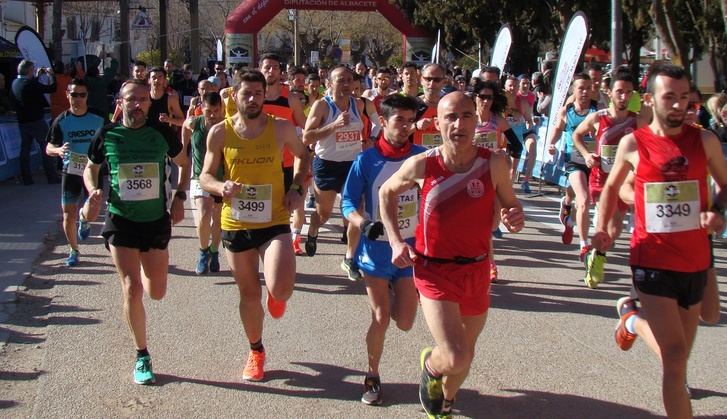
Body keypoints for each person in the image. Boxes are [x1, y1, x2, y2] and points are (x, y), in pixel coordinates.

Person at [592, 63, 727, 419]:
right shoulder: (634, 143)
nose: (679, 105)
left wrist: (718, 213)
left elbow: (725, 186)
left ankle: (631, 319)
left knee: (681, 356)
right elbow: (610, 188)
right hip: (651, 261)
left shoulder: (705, 140)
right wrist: (602, 229)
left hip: (696, 261)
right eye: (670, 97)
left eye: (685, 98)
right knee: (675, 357)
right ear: (650, 99)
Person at [379, 92, 525, 418]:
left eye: (466, 116)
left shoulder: (495, 164)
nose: (459, 124)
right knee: (455, 355)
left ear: (477, 120)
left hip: (477, 270)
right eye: (450, 117)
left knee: (466, 354)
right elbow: (386, 191)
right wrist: (395, 241)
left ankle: (445, 400)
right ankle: (432, 365)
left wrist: (514, 216)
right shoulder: (423, 164)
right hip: (434, 271)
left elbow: (512, 205)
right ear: (437, 122)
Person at [199, 70, 310, 382]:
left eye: (258, 94)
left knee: (281, 288)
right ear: (235, 96)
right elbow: (205, 175)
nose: (252, 99)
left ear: (265, 95)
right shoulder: (220, 132)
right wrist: (221, 188)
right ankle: (256, 351)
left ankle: (276, 292)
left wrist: (297, 189)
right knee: (248, 294)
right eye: (246, 93)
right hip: (236, 222)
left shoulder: (281, 128)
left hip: (273, 218)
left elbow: (304, 156)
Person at [80, 79, 188, 385]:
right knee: (131, 288)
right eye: (131, 99)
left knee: (157, 291)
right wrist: (92, 191)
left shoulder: (161, 133)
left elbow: (183, 163)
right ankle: (142, 355)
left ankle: (145, 278)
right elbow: (91, 167)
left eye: (143, 100)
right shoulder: (107, 134)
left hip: (155, 220)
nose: (138, 105)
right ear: (121, 102)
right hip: (120, 219)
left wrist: (179, 196)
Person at [341, 94, 424, 406]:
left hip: (411, 249)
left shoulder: (421, 156)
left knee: (405, 322)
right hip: (376, 250)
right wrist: (363, 223)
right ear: (383, 122)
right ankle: (372, 374)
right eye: (398, 120)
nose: (405, 126)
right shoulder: (367, 160)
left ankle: (401, 296)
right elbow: (348, 201)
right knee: (381, 316)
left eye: (409, 120)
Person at [572, 68, 646, 288]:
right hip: (601, 179)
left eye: (629, 93)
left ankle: (597, 255)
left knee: (616, 229)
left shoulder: (638, 121)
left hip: (624, 181)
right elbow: (577, 134)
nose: (624, 97)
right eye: (620, 91)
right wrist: (586, 155)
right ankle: (595, 251)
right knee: (609, 221)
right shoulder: (598, 118)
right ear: (609, 91)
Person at [302, 65, 368, 279]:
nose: (346, 84)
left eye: (349, 80)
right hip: (327, 165)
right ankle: (313, 230)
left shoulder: (358, 104)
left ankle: (350, 259)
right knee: (323, 214)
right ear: (329, 84)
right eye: (341, 80)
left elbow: (373, 128)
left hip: (352, 165)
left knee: (356, 212)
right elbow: (307, 137)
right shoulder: (322, 106)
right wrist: (335, 125)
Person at [45, 79, 106, 266]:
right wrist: (58, 151)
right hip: (70, 170)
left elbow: (112, 136)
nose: (78, 99)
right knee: (67, 214)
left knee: (93, 212)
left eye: (82, 95)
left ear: (87, 96)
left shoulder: (98, 118)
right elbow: (48, 147)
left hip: (93, 170)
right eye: (74, 94)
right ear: (67, 95)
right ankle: (73, 250)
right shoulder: (61, 120)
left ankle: (84, 219)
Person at [547, 73, 599, 255]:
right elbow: (557, 129)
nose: (585, 92)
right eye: (581, 88)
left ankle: (568, 214)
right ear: (574, 90)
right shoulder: (567, 112)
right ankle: (584, 244)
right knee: (584, 199)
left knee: (578, 195)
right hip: (574, 160)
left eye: (588, 88)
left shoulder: (597, 110)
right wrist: (552, 144)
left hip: (594, 161)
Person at [182, 92, 225, 274]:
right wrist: (184, 150)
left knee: (218, 219)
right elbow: (184, 126)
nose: (213, 115)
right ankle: (202, 251)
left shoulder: (226, 125)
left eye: (216, 111)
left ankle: (214, 252)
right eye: (209, 111)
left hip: (221, 179)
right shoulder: (195, 122)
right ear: (202, 108)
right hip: (200, 176)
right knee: (204, 214)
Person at [10, 59, 60, 185]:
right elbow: (52, 88)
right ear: (28, 70)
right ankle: (51, 176)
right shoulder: (31, 84)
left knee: (24, 150)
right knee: (46, 148)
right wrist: (52, 76)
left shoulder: (15, 83)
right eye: (32, 70)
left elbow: (31, 87)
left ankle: (26, 178)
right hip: (36, 120)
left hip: (22, 121)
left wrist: (37, 77)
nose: (33, 72)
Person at [413, 63, 447, 149]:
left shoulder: (449, 106)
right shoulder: (412, 105)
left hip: (443, 158)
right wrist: (416, 126)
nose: (432, 84)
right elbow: (399, 132)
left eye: (437, 80)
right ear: (421, 80)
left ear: (444, 82)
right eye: (428, 79)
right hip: (417, 158)